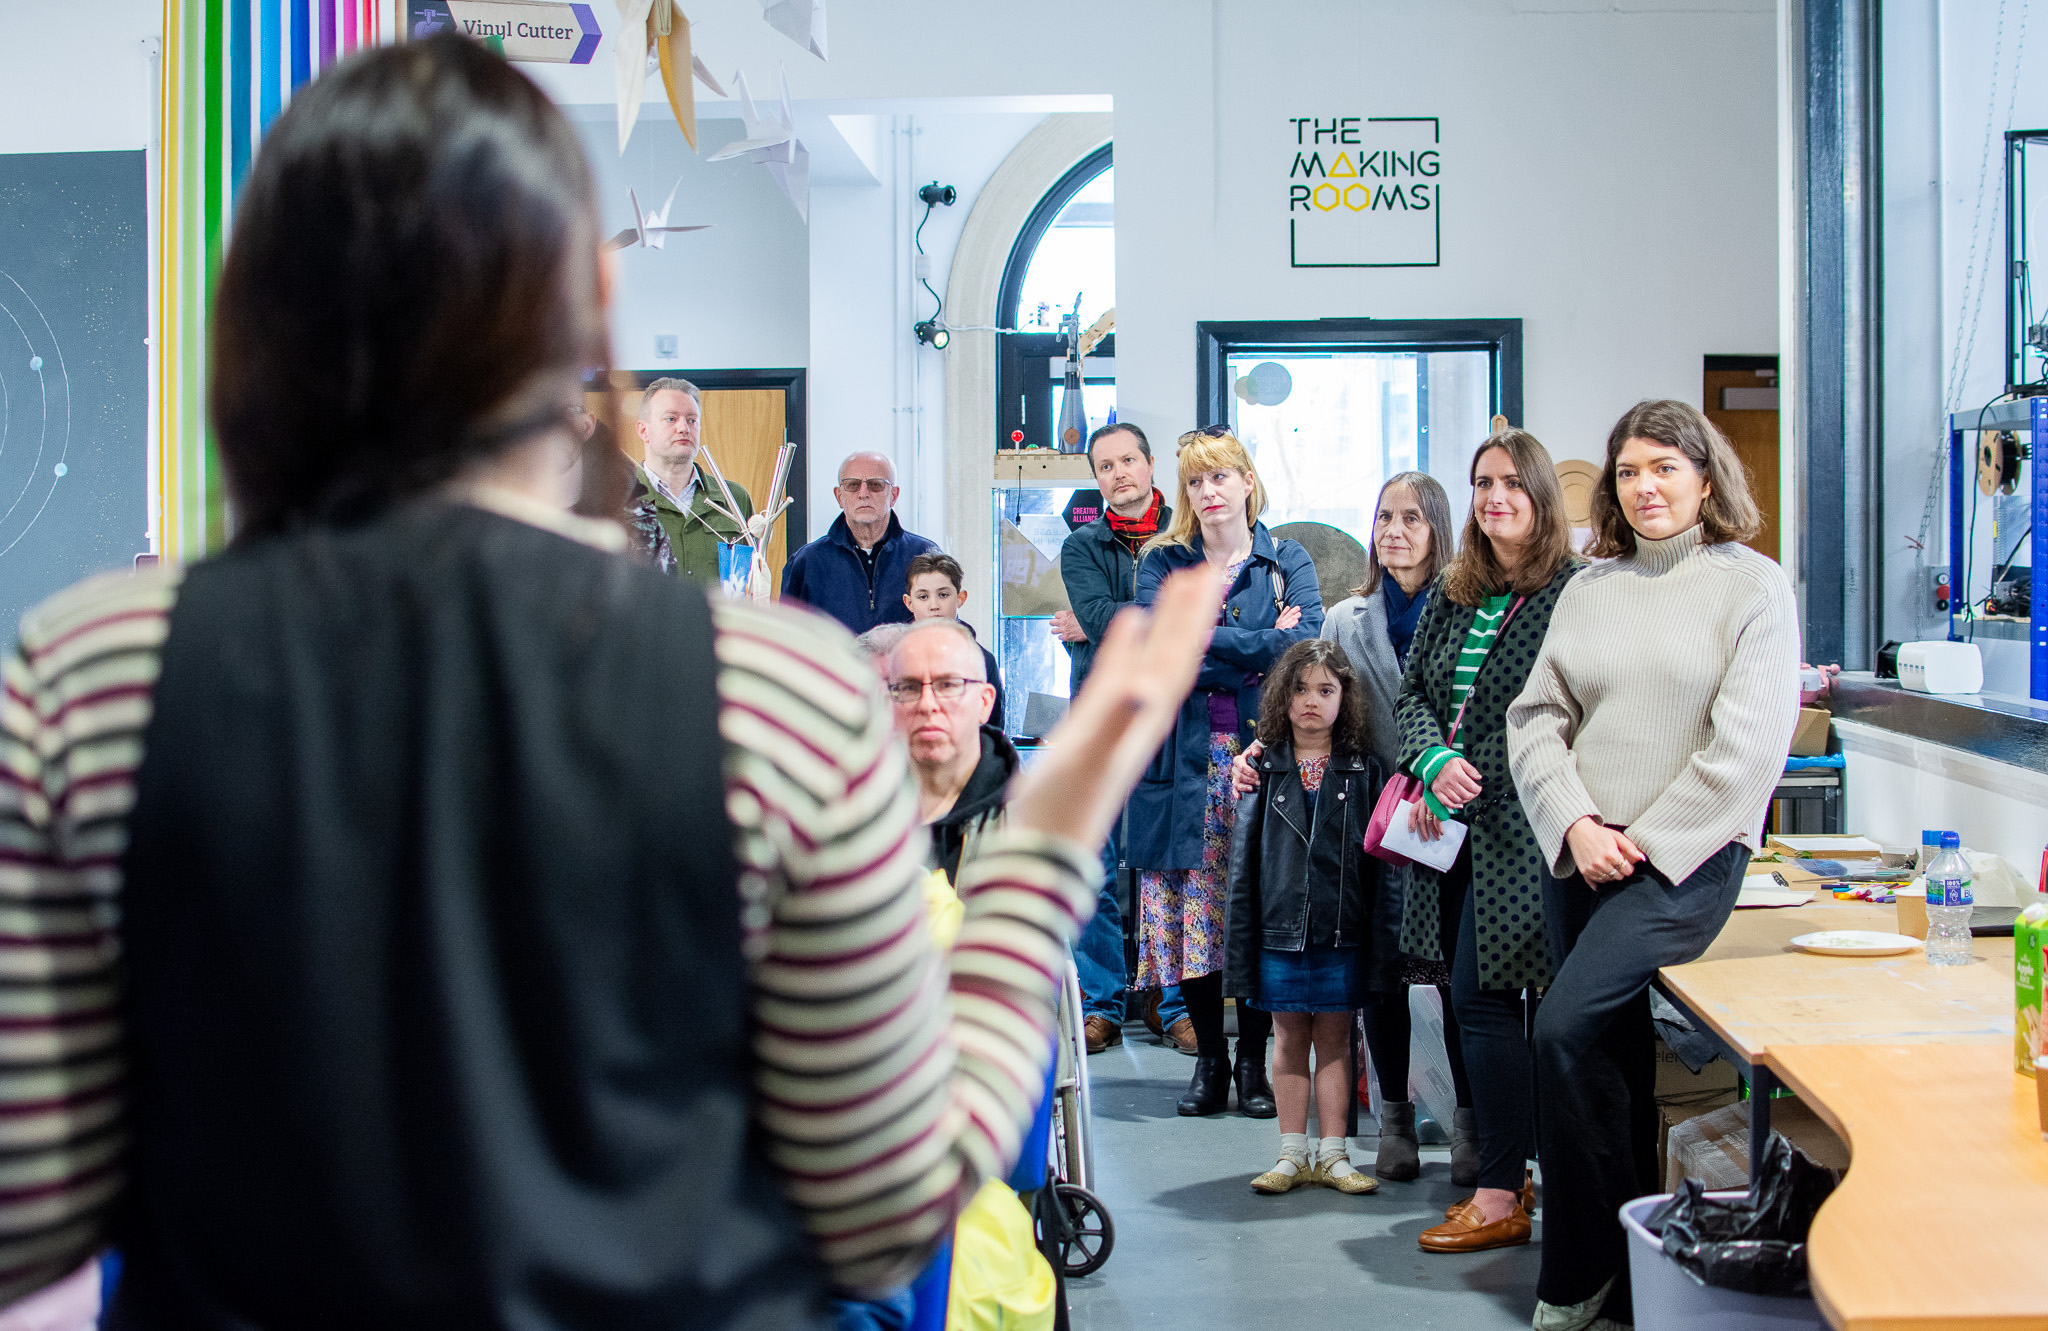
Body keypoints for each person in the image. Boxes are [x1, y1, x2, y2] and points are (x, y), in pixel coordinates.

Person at [0, 37, 1227, 1327]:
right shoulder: (778, 698)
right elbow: (884, 1208)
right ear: (589, 301)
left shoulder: (93, 677)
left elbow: (29, 1212)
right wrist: (1042, 845)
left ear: (248, 308)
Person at [1508, 400, 1799, 1331]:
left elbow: (1746, 748)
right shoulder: (1590, 588)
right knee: (1606, 1053)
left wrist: (1640, 841)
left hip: (1687, 860)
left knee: (1560, 1030)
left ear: (1707, 479)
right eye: (1629, 471)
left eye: (1665, 469)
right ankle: (1634, 1279)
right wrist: (1578, 824)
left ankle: (1581, 1270)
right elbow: (1537, 718)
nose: (1645, 488)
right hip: (1582, 851)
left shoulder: (1753, 588)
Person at [1232, 471, 1469, 1184]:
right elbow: (1313, 718)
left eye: (1412, 519)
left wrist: (1442, 780)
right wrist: (1256, 752)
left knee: (1460, 981)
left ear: (1438, 529)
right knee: (1385, 978)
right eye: (1384, 517)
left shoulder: (1467, 608)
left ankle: (1469, 1126)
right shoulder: (1346, 617)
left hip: (1450, 815)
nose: (1394, 531)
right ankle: (1392, 1117)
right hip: (1372, 827)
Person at [1398, 428, 1581, 1255]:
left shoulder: (1575, 590)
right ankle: (1512, 1178)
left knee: (1500, 1001)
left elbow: (1577, 714)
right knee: (1478, 1001)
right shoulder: (1453, 589)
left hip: (1535, 832)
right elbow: (1410, 697)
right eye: (1481, 483)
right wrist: (1434, 759)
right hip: (1451, 831)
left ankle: (1507, 1187)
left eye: (1511, 482)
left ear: (1541, 495)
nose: (1494, 496)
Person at [1130, 426, 1324, 1118]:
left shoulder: (1285, 559)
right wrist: (1263, 640)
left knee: (1261, 910)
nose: (1208, 491)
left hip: (1259, 758)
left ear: (1247, 480)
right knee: (1194, 920)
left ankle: (1254, 1062)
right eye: (1194, 480)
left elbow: (1306, 649)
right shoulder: (1163, 564)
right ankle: (1211, 1060)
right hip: (1178, 765)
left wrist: (1220, 639)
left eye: (1220, 477)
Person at [1224, 640, 1396, 1197]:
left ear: (1345, 698)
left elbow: (1380, 869)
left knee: (1338, 1040)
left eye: (1326, 690)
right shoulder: (1260, 767)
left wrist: (1382, 941)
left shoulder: (1364, 769)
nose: (1311, 702)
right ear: (1281, 696)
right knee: (1287, 1037)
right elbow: (1245, 868)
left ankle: (1334, 1154)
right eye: (1299, 689)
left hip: (1342, 930)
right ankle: (1292, 1153)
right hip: (1279, 932)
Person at [1052, 422, 1188, 1055]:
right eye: (1104, 466)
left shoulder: (1186, 536)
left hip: (1171, 722)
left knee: (1169, 866)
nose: (1118, 474)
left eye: (1128, 460)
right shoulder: (1081, 546)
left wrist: (1108, 620)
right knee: (1097, 871)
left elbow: (1184, 621)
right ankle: (1102, 1002)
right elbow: (1105, 619)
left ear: (1151, 463)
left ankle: (1175, 1002)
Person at [890, 620, 1015, 882]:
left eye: (947, 685)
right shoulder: (853, 819)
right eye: (909, 687)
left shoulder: (1031, 823)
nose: (927, 704)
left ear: (984, 702)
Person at [781, 451, 939, 634]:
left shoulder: (925, 555)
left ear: (894, 495)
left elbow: (947, 626)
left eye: (875, 485)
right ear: (839, 496)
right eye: (853, 485)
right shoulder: (806, 562)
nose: (863, 494)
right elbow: (787, 639)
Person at [626, 376, 755, 584]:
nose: (684, 428)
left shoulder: (733, 499)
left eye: (692, 420)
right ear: (643, 430)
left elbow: (748, 582)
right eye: (671, 419)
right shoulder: (619, 500)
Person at [902, 552, 1005, 732]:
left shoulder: (982, 660)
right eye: (923, 597)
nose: (934, 605)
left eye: (943, 595)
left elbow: (993, 730)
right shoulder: (892, 656)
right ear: (909, 602)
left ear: (960, 598)